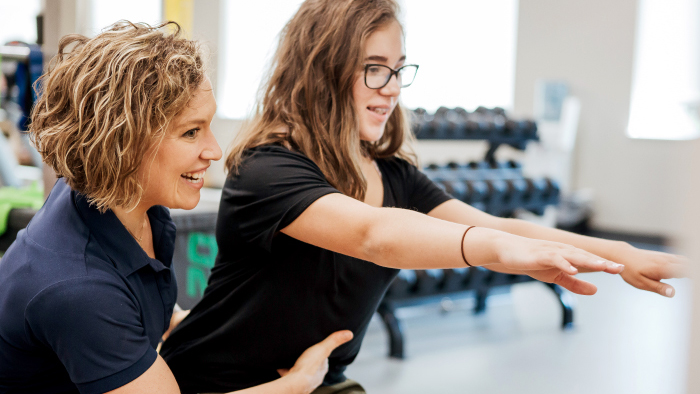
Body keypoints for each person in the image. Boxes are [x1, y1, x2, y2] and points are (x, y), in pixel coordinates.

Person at [159, 0, 687, 392]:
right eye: (373, 68)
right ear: (323, 70)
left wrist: (622, 257)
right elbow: (374, 235)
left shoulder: (395, 175)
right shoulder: (269, 170)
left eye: (397, 68)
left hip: (318, 381)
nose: (391, 86)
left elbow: (500, 225)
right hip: (215, 383)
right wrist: (508, 256)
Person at [0, 21, 352, 394]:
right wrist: (298, 384)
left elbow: (137, 307)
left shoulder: (119, 203)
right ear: (124, 141)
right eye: (191, 132)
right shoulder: (78, 288)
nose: (215, 151)